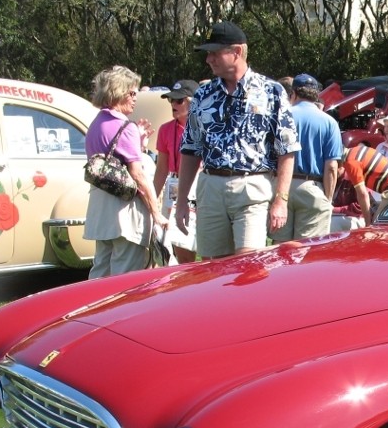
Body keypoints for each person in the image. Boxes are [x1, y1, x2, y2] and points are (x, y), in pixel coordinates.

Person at [174, 21, 299, 257]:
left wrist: (281, 201)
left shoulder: (271, 91)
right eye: (207, 54)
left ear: (237, 51)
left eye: (214, 53)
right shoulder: (202, 94)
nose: (208, 59)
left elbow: (287, 149)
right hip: (211, 189)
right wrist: (181, 202)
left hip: (252, 187)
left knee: (248, 267)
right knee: (213, 271)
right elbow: (190, 149)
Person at [83, 65, 167, 278]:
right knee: (125, 278)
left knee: (100, 272)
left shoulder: (96, 124)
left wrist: (138, 145)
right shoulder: (125, 127)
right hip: (125, 213)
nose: (135, 97)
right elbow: (137, 175)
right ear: (118, 92)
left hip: (100, 211)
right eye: (131, 92)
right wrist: (156, 213)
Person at [271, 73, 343, 242]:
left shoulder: (282, 117)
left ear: (293, 93)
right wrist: (328, 198)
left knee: (279, 248)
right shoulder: (329, 122)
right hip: (312, 187)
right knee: (306, 251)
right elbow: (332, 166)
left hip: (281, 187)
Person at [153, 78, 199, 263]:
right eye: (171, 100)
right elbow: (161, 169)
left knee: (203, 240)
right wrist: (151, 200)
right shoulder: (165, 130)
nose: (173, 104)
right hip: (173, 186)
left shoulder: (203, 127)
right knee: (179, 240)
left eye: (179, 100)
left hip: (199, 184)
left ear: (193, 101)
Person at [339, 144, 388, 226]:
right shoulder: (360, 149)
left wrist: (367, 223)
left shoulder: (351, 162)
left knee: (376, 226)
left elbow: (362, 194)